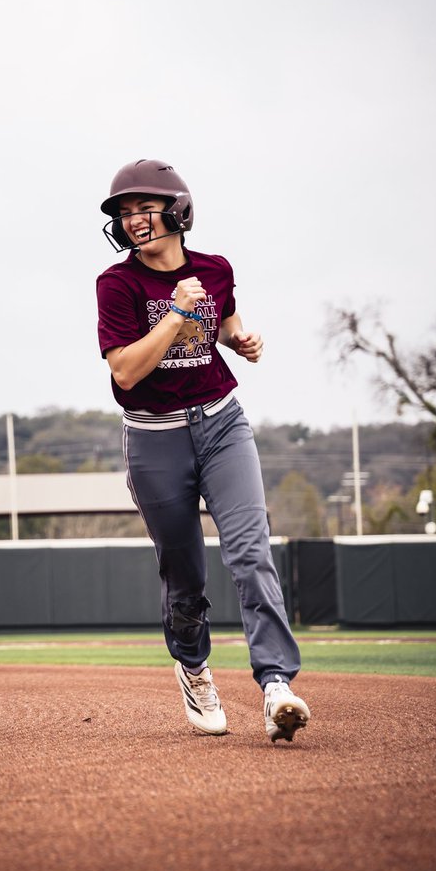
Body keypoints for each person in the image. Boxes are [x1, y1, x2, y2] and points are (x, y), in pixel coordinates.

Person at [96, 159, 310, 743]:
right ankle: (193, 668)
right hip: (154, 436)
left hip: (222, 425)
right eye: (125, 212)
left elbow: (224, 322)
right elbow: (126, 371)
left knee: (250, 552)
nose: (134, 220)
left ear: (177, 209)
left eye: (144, 207)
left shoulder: (215, 269)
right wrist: (177, 315)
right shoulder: (116, 285)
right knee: (185, 575)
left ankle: (276, 686)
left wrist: (243, 339)